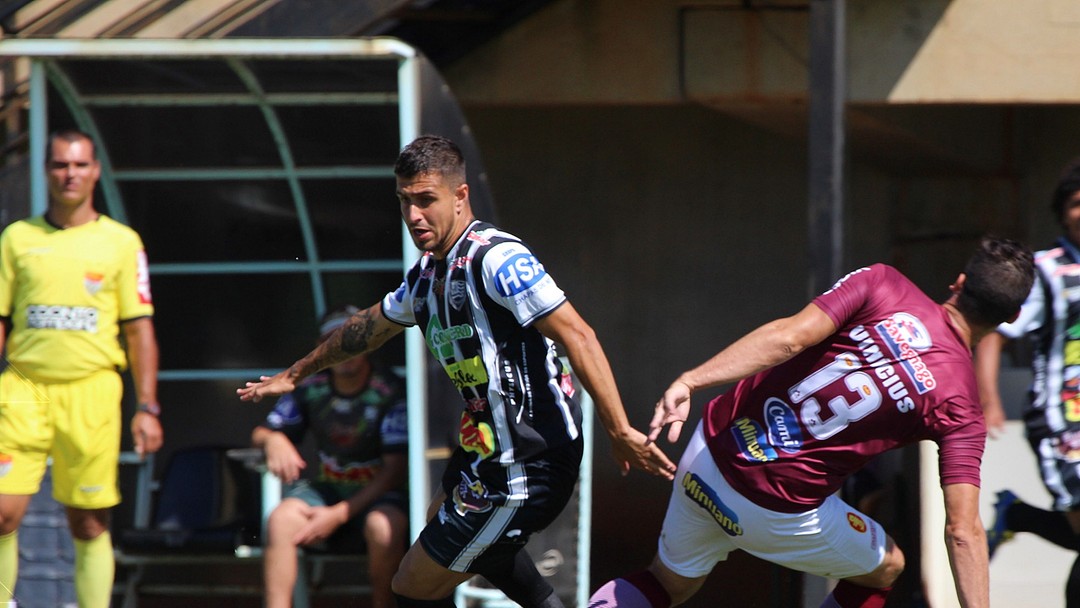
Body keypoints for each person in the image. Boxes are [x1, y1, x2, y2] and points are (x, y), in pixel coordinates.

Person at [239, 134, 676, 608]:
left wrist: (618, 430)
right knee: (448, 525)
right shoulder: (426, 275)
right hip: (484, 452)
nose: (413, 215)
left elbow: (580, 336)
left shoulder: (496, 258)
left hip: (529, 461)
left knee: (412, 585)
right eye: (404, 201)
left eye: (426, 200)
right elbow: (367, 328)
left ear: (461, 196)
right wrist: (296, 373)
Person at [589, 235, 1035, 608]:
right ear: (1012, 318)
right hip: (776, 507)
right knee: (886, 567)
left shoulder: (882, 282)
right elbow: (962, 530)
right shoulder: (961, 406)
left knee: (666, 584)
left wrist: (691, 380)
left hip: (709, 448)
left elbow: (788, 338)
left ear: (959, 282)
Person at [0, 129, 164, 607]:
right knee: (2, 513)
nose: (69, 174)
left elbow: (139, 330)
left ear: (95, 171)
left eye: (78, 165)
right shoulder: (17, 238)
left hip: (91, 391)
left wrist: (147, 407)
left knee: (89, 521)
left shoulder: (121, 242)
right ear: (47, 171)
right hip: (23, 389)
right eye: (59, 165)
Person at [252, 304, 408, 608]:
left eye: (350, 340)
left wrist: (338, 515)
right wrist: (273, 439)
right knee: (281, 520)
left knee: (383, 526)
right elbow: (261, 432)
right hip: (329, 489)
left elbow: (395, 472)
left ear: (368, 344)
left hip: (380, 496)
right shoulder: (311, 387)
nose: (343, 349)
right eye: (333, 341)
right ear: (320, 348)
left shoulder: (391, 390)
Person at [976, 158, 1080, 607]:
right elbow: (994, 331)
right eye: (1077, 203)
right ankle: (1020, 515)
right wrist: (989, 398)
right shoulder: (1046, 270)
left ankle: (1018, 514)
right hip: (1064, 419)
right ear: (1062, 213)